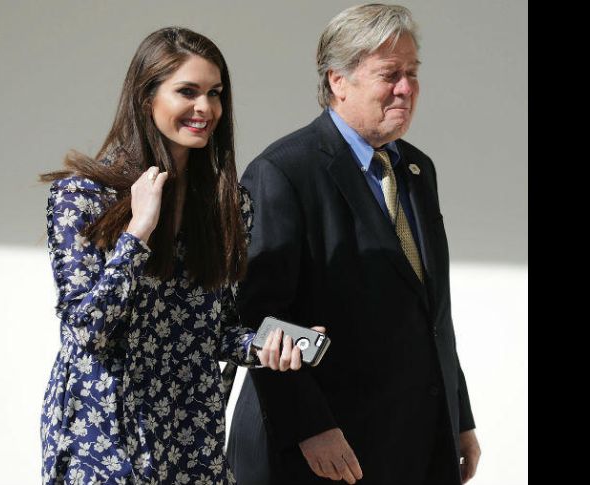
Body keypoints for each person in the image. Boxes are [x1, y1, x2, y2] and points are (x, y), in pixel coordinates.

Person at [38, 27, 315, 485]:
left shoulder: (228, 204)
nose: (205, 108)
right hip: (104, 428)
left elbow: (211, 333)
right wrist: (137, 231)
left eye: (215, 93)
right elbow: (86, 329)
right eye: (187, 91)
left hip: (192, 428)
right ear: (146, 98)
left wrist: (270, 347)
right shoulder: (82, 197)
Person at [226, 4, 481, 485]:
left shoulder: (416, 171)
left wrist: (457, 416)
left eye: (411, 73)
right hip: (320, 452)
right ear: (338, 81)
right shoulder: (284, 172)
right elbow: (259, 320)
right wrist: (312, 426)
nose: (406, 87)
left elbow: (430, 313)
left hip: (411, 441)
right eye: (390, 74)